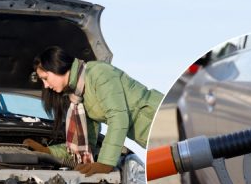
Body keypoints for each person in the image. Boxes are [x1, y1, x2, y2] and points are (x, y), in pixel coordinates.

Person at [24, 46, 164, 176]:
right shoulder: (78, 98)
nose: (46, 85)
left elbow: (118, 118)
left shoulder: (98, 73)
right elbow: (86, 143)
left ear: (56, 66)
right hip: (153, 139)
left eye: (45, 78)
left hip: (164, 118)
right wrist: (48, 152)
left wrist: (105, 163)